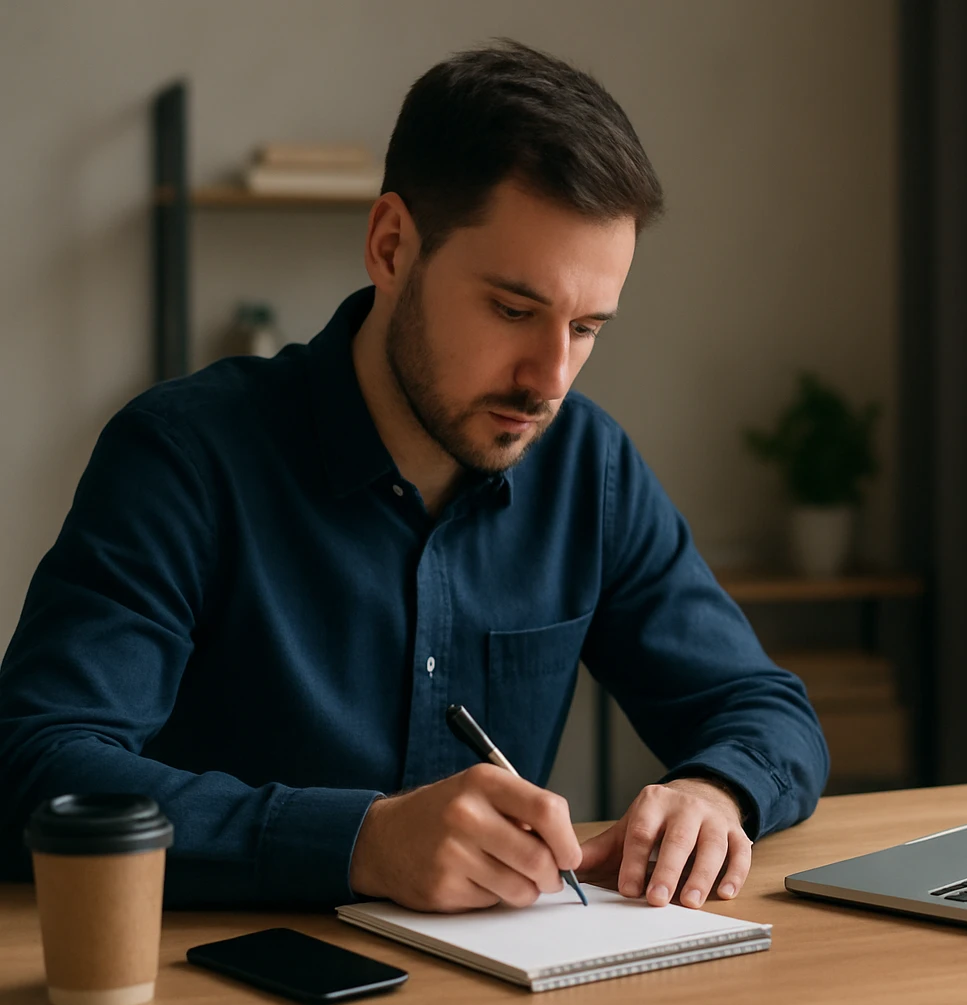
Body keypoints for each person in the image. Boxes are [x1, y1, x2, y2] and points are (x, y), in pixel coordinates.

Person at [0, 40, 828, 913]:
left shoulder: (589, 467)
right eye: (513, 310)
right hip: (219, 971)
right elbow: (34, 765)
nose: (550, 379)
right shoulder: (183, 458)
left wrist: (714, 792)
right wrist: (358, 842)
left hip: (498, 975)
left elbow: (765, 708)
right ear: (392, 247)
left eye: (586, 328)